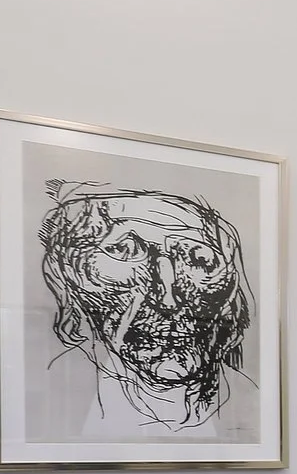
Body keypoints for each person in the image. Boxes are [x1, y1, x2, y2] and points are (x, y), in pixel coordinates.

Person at [36, 181, 254, 435]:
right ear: (68, 274)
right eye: (124, 251)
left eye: (200, 259)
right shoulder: (53, 406)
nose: (168, 300)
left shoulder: (251, 408)